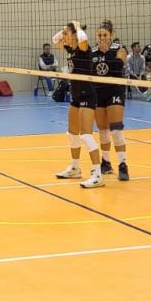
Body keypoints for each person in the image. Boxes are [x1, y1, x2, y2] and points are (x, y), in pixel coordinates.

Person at [53, 21, 104, 188]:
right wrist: (65, 31)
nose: (64, 37)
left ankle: (97, 174)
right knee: (72, 133)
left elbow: (82, 38)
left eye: (66, 34)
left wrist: (77, 27)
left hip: (87, 95)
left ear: (75, 35)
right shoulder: (71, 50)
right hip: (75, 95)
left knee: (85, 135)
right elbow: (55, 40)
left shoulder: (84, 48)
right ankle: (75, 168)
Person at [91, 21, 129, 181]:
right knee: (102, 130)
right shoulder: (92, 52)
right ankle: (105, 162)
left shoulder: (119, 49)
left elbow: (118, 66)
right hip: (98, 93)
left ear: (111, 35)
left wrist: (106, 53)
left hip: (115, 91)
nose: (102, 38)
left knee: (116, 129)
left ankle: (123, 165)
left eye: (105, 35)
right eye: (99, 35)